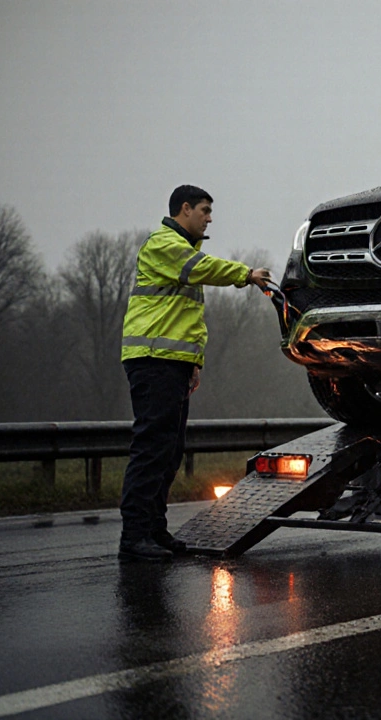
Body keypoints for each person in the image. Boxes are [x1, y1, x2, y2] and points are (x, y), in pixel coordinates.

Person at [117, 185, 272, 562]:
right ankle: (134, 536)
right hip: (153, 361)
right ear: (184, 209)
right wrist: (246, 274)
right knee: (153, 449)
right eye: (204, 210)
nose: (209, 217)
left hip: (172, 363)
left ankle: (154, 530)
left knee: (169, 451)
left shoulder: (179, 250)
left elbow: (185, 322)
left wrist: (194, 364)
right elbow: (201, 269)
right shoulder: (164, 244)